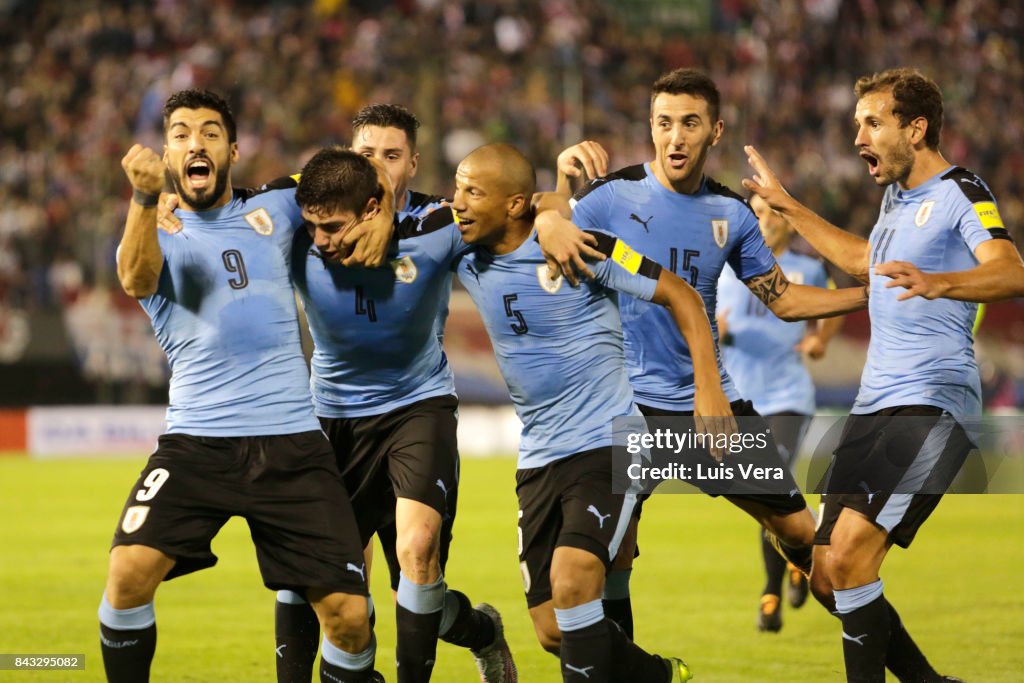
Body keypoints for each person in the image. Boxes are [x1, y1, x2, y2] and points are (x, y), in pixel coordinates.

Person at [538, 68, 868, 639]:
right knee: (614, 557)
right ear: (651, 127)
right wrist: (560, 191)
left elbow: (784, 299)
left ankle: (897, 659)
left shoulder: (732, 215)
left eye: (689, 123)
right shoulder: (610, 196)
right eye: (664, 123)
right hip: (626, 408)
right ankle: (633, 673)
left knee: (800, 532)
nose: (676, 138)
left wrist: (869, 295)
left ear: (714, 131)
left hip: (709, 407)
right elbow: (545, 235)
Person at [743, 67, 1024, 682]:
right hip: (873, 408)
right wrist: (789, 204)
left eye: (873, 123)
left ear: (916, 128)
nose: (858, 138)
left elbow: (1011, 269)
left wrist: (943, 282)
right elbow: (862, 262)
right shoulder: (895, 199)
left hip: (932, 405)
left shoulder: (961, 191)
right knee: (823, 577)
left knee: (847, 558)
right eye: (856, 125)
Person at [106, 89, 385, 683]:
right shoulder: (155, 228)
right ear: (165, 153)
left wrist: (380, 210)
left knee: (349, 616)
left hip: (291, 441)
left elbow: (353, 176)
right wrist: (142, 196)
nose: (194, 143)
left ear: (233, 150)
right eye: (180, 134)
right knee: (128, 574)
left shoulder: (281, 203)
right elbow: (134, 278)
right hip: (197, 443)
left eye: (209, 132)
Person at [452, 142, 741, 683]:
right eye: (456, 188)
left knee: (573, 581)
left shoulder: (588, 247)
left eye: (472, 191)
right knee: (552, 629)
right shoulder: (464, 249)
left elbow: (681, 294)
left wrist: (709, 389)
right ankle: (659, 676)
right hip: (540, 455)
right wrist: (551, 205)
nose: (458, 203)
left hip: (610, 441)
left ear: (511, 203)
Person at [280, 134, 516, 683]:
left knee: (416, 555)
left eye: (391, 155)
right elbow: (242, 203)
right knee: (316, 572)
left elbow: (521, 204)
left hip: (417, 407)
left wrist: (555, 211)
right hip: (333, 416)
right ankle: (479, 630)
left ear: (413, 161)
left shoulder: (438, 227)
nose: (377, 167)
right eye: (365, 156)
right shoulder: (305, 228)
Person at [716, 197, 843, 632]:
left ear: (789, 223)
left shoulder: (805, 270)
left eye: (772, 213)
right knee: (770, 495)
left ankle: (770, 594)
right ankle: (800, 556)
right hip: (743, 399)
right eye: (757, 214)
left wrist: (820, 341)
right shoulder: (727, 266)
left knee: (770, 483)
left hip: (789, 395)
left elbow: (833, 302)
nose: (764, 221)